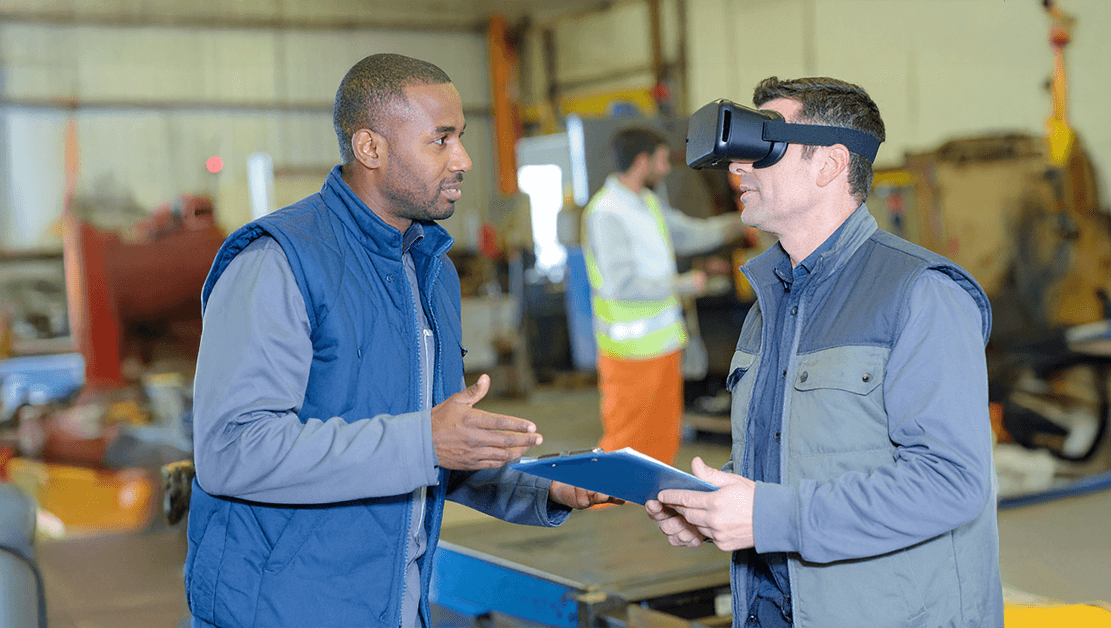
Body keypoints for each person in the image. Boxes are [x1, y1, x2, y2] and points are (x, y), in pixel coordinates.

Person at [185, 53, 613, 628]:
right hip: (285, 609)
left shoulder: (429, 269)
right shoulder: (280, 263)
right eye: (440, 140)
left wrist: (544, 487)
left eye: (460, 137)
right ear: (370, 148)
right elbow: (233, 450)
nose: (462, 159)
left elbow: (427, 452)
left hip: (394, 603)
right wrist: (426, 441)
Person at [646, 77, 1003, 627]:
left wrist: (766, 516)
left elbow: (951, 482)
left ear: (831, 163)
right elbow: (800, 452)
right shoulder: (771, 301)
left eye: (763, 146)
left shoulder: (922, 293)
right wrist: (714, 506)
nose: (739, 169)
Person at [582, 127, 745, 465]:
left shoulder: (647, 203)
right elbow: (621, 285)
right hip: (629, 353)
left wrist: (742, 221)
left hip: (663, 346)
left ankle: (649, 504)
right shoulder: (607, 213)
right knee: (625, 441)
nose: (667, 168)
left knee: (661, 440)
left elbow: (688, 234)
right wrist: (683, 284)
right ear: (643, 161)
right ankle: (605, 504)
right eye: (661, 159)